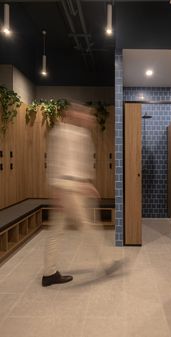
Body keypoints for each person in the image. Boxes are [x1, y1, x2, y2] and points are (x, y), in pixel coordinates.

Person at [42, 103, 99, 287]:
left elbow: (78, 162)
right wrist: (57, 191)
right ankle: (107, 262)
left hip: (74, 187)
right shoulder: (60, 132)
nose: (88, 118)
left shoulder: (80, 134)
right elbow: (55, 162)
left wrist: (86, 183)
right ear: (72, 114)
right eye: (84, 114)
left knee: (57, 231)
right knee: (85, 225)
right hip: (66, 188)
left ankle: (49, 273)